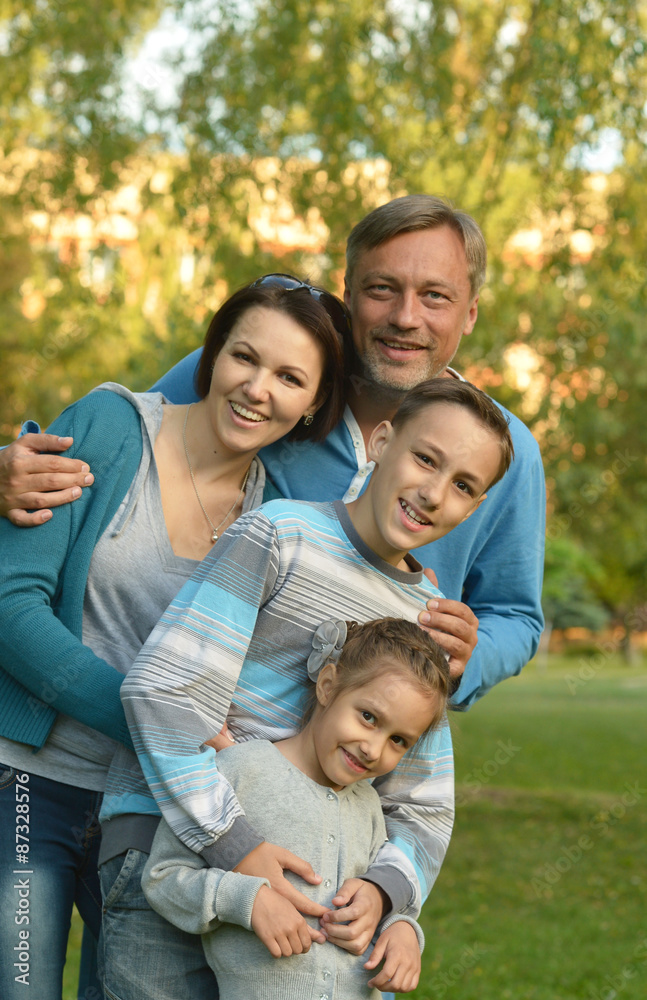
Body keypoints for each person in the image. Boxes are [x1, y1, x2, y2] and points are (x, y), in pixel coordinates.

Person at [0, 195, 546, 712]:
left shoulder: (507, 449)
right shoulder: (269, 376)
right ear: (350, 297)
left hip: (353, 752)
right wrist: (9, 464)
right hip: (205, 723)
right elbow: (127, 440)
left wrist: (461, 661)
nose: (405, 317)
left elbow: (515, 614)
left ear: (469, 313)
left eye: (435, 296)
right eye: (382, 289)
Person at [99, 377, 514, 999]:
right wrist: (236, 847)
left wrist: (384, 894)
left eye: (462, 486)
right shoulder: (279, 537)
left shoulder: (427, 618)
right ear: (381, 441)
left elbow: (423, 805)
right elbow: (163, 692)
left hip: (305, 901)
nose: (433, 493)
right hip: (173, 852)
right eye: (426, 458)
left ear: (475, 508)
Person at [0, 275, 348, 1000]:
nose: (257, 388)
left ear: (313, 403)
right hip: (30, 783)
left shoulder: (278, 521)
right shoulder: (111, 427)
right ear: (212, 355)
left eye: (289, 378)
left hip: (152, 816)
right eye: (244, 358)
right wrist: (153, 717)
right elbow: (11, 608)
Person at [141, 617, 451, 1000]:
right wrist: (247, 901)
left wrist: (404, 931)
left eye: (399, 740)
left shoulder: (370, 806)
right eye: (368, 717)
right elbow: (163, 878)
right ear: (327, 686)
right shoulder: (241, 769)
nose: (373, 749)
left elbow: (380, 906)